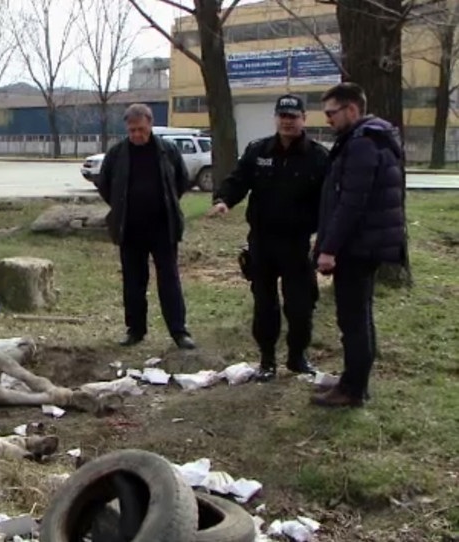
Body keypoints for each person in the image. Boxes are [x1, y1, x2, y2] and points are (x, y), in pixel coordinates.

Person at [207, 95, 329, 381]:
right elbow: (239, 180)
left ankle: (297, 357)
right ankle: (267, 360)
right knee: (264, 304)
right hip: (262, 242)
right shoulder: (258, 150)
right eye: (282, 116)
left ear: (304, 119)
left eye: (293, 116)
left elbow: (329, 200)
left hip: (297, 244)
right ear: (276, 118)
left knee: (300, 306)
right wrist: (224, 200)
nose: (287, 121)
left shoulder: (318, 157)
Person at [312, 82, 407, 408]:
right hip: (366, 243)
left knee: (353, 319)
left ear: (351, 110)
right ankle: (354, 381)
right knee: (358, 316)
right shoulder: (371, 139)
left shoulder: (362, 144)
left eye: (331, 113)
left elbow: (351, 202)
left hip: (358, 246)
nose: (328, 120)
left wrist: (329, 249)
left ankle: (352, 389)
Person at [96, 103, 196, 349]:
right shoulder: (117, 153)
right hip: (130, 228)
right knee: (133, 281)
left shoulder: (167, 151)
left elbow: (181, 181)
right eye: (131, 130)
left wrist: (166, 204)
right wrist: (120, 207)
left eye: (140, 129)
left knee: (169, 279)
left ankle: (179, 331)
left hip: (163, 228)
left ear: (150, 124)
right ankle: (135, 330)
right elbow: (105, 183)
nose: (136, 135)